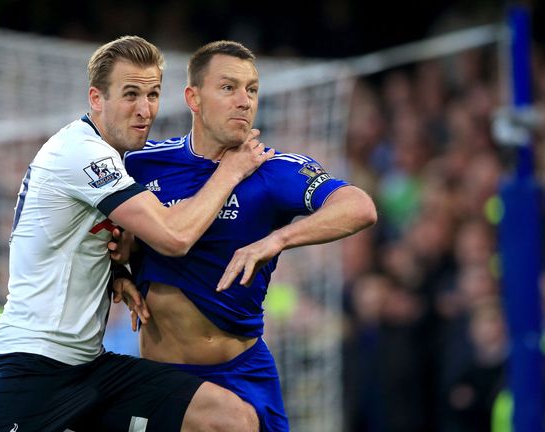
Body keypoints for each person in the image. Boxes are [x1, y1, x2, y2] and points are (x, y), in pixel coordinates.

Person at [0, 36, 273, 432]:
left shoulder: (110, 157)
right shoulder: (81, 153)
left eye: (152, 94)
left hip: (88, 368)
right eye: (131, 94)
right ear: (97, 98)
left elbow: (72, 237)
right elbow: (174, 237)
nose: (144, 110)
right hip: (32, 366)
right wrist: (230, 171)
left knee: (229, 419)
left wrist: (117, 273)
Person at [122, 40, 377, 431]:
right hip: (162, 376)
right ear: (193, 97)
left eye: (252, 90)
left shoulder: (274, 171)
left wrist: (277, 239)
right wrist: (116, 273)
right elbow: (97, 230)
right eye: (228, 88)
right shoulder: (141, 162)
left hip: (243, 372)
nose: (244, 100)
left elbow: (359, 206)